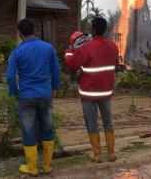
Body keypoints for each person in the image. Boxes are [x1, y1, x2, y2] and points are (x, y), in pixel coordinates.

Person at [7, 18, 61, 177]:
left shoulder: (17, 52)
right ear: (35, 31)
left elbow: (10, 76)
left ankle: (32, 167)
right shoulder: (48, 48)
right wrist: (54, 87)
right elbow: (56, 70)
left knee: (28, 130)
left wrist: (14, 91)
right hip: (45, 95)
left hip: (26, 96)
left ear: (19, 33)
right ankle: (47, 166)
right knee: (47, 128)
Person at [65, 17, 119, 163]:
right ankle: (111, 153)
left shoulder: (86, 48)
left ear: (93, 30)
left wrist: (70, 49)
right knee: (108, 121)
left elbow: (72, 65)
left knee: (92, 122)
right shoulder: (113, 46)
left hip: (89, 92)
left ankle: (97, 154)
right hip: (106, 91)